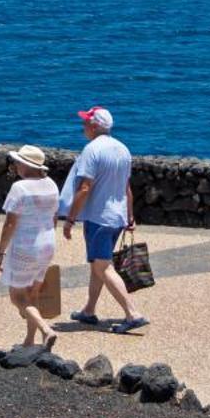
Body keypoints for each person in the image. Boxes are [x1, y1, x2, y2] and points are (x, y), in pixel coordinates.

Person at [58, 106, 147, 332]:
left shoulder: (92, 150)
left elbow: (84, 187)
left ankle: (132, 313)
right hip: (116, 217)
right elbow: (126, 188)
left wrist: (70, 219)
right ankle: (89, 310)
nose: (83, 127)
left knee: (103, 266)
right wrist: (130, 215)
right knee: (98, 264)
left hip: (99, 218)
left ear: (95, 126)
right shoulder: (123, 150)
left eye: (86, 123)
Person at [0, 143, 60, 348]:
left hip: (25, 246)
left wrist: (0, 252)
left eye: (17, 162)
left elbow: (10, 223)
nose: (15, 166)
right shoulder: (51, 185)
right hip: (47, 243)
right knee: (33, 294)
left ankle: (46, 330)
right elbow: (55, 217)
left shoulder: (19, 188)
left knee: (17, 296)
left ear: (26, 165)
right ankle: (30, 340)